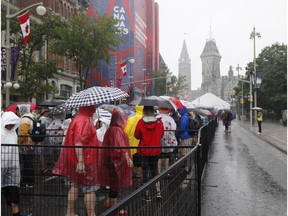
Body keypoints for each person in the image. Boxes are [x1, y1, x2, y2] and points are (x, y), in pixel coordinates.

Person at [52, 105, 100, 216]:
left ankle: (70, 212)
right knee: (90, 188)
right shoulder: (84, 120)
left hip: (76, 160)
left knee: (75, 186)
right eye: (93, 107)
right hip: (86, 160)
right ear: (89, 107)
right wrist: (81, 162)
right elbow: (79, 141)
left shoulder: (78, 119)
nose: (94, 109)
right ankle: (91, 214)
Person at [99, 109, 133, 213]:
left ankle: (110, 202)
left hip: (110, 160)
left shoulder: (110, 129)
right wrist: (127, 158)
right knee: (116, 183)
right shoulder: (117, 130)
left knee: (113, 182)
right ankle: (116, 208)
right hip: (116, 162)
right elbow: (120, 144)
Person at [1, 111, 30, 216]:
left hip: (12, 166)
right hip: (2, 165)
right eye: (10, 123)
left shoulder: (13, 132)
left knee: (13, 191)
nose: (12, 125)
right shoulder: (1, 132)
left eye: (14, 123)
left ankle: (16, 213)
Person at [134, 106, 164, 201]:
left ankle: (146, 194)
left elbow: (137, 136)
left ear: (144, 112)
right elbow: (161, 135)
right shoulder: (159, 122)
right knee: (155, 171)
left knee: (145, 172)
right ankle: (158, 192)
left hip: (144, 151)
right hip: (155, 150)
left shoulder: (141, 122)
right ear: (152, 111)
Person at [17, 104, 36, 188]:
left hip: (26, 143)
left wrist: (18, 142)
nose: (18, 112)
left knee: (28, 163)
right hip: (31, 143)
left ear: (22, 110)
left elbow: (23, 133)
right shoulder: (31, 117)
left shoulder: (24, 119)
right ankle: (27, 181)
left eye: (19, 110)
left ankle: (29, 181)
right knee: (29, 162)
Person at [124, 105, 144, 179]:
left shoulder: (131, 119)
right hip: (142, 145)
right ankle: (141, 180)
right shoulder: (145, 119)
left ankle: (133, 177)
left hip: (131, 143)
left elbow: (126, 132)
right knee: (141, 163)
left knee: (133, 161)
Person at [157, 107, 178, 173]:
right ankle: (166, 171)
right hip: (168, 139)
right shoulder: (170, 119)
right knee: (167, 157)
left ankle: (158, 171)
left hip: (159, 139)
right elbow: (174, 128)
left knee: (159, 157)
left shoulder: (157, 118)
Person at [177, 107, 193, 173]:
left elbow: (182, 127)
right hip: (187, 136)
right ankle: (187, 166)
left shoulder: (184, 117)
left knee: (186, 152)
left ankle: (187, 167)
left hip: (185, 137)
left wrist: (178, 131)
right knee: (186, 152)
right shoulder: (186, 116)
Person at [39, 109, 53, 174]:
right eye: (46, 112)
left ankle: (45, 167)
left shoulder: (49, 119)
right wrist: (41, 138)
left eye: (48, 111)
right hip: (43, 136)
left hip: (48, 137)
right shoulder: (41, 119)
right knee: (42, 152)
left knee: (46, 153)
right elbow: (40, 128)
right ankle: (43, 167)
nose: (48, 113)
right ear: (43, 112)